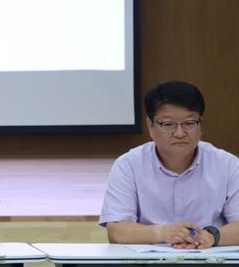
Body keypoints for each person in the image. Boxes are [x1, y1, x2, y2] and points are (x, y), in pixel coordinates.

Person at [100, 81, 239, 248]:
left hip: (211, 259)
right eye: (168, 124)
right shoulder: (128, 165)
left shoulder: (228, 165)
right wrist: (163, 233)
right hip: (147, 262)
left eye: (189, 123)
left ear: (200, 124)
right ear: (150, 125)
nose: (180, 133)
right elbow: (116, 231)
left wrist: (210, 237)